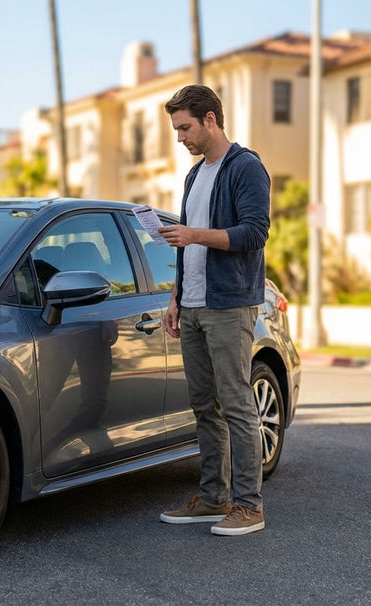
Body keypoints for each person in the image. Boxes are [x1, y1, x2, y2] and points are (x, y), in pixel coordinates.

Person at [155, 84, 271, 536]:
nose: (180, 137)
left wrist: (194, 235)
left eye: (184, 128)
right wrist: (175, 298)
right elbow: (187, 246)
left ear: (210, 120)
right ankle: (212, 497)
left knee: (237, 404)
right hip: (194, 305)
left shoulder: (246, 167)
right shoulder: (194, 176)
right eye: (175, 129)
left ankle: (249, 506)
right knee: (204, 405)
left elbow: (254, 233)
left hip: (229, 303)